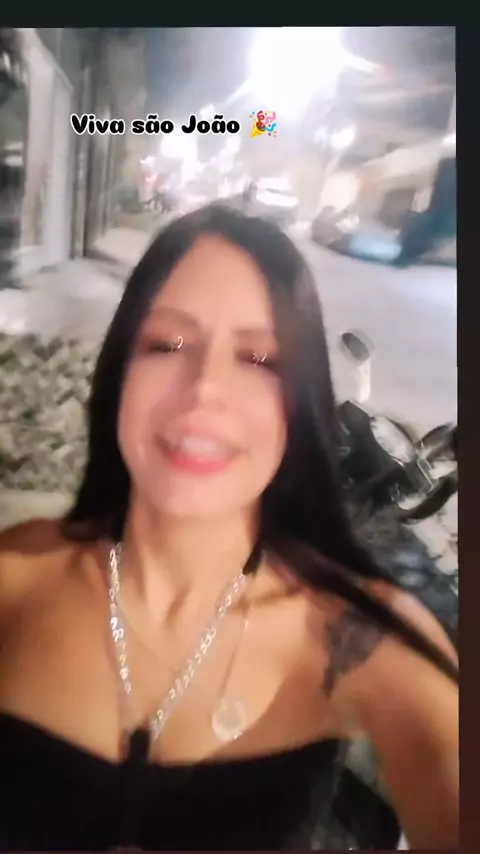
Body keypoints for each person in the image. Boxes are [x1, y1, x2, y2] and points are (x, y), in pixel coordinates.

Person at [0, 204, 458, 851]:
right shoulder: (17, 580)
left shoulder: (360, 636)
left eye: (259, 358)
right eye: (167, 345)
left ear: (300, 404)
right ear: (118, 373)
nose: (204, 389)